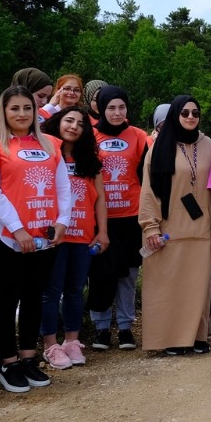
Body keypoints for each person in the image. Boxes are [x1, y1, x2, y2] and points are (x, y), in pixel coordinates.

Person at [0, 86, 72, 393]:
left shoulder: (51, 145)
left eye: (27, 108)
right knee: (7, 299)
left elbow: (63, 187)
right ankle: (8, 363)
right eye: (14, 108)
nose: (21, 114)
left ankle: (28, 358)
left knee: (34, 296)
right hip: (7, 237)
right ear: (3, 112)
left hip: (45, 235)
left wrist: (62, 221)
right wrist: (17, 228)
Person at [139, 96, 211, 355]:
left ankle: (197, 336)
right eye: (185, 112)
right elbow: (149, 191)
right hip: (168, 227)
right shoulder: (160, 147)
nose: (191, 116)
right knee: (168, 284)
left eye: (196, 112)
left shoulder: (208, 145)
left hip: (202, 227)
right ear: (175, 114)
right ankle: (170, 338)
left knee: (198, 285)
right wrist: (150, 226)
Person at [39, 108, 108, 369]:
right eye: (69, 120)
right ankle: (50, 345)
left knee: (75, 291)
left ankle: (71, 341)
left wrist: (103, 232)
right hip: (54, 235)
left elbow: (100, 200)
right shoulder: (46, 155)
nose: (74, 127)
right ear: (58, 123)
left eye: (80, 123)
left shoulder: (89, 160)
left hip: (83, 235)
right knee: (50, 291)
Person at [87, 86, 149, 351]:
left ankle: (125, 327)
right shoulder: (88, 136)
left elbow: (148, 176)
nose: (117, 112)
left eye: (121, 107)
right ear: (100, 107)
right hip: (98, 218)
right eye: (111, 107)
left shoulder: (139, 136)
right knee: (100, 274)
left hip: (130, 216)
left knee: (128, 274)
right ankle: (101, 329)